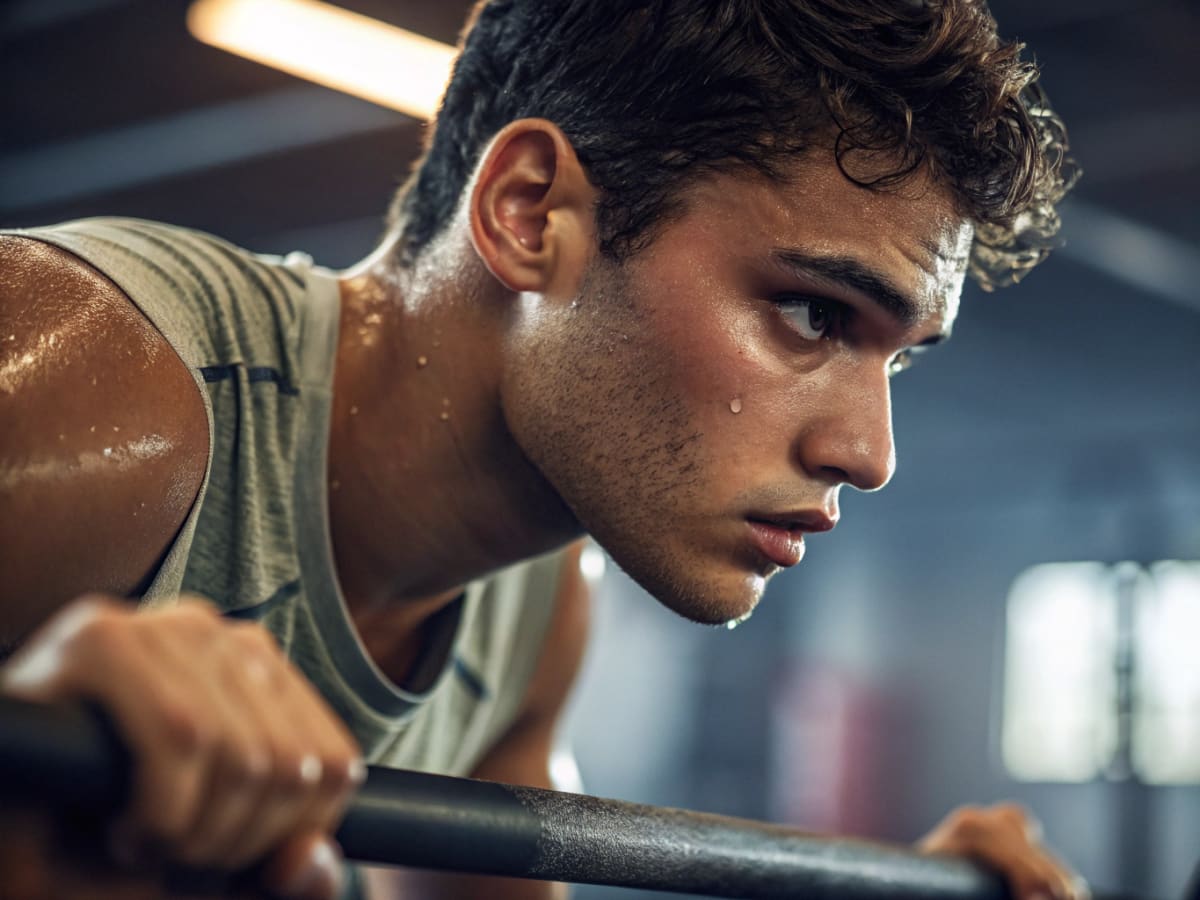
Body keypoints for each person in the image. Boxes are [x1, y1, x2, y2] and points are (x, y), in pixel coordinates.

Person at [0, 0, 1083, 897]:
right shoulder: (94, 387)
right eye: (810, 313)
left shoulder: (536, 604)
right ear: (529, 212)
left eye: (898, 361)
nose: (871, 452)